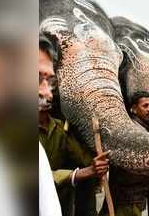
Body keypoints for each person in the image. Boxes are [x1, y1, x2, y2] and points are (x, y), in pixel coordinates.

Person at [39, 33, 110, 216]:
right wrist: (80, 174)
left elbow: (82, 158)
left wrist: (96, 164)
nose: (48, 93)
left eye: (51, 82)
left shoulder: (60, 128)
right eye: (37, 79)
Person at [105, 91, 149, 216]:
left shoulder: (145, 127)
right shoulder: (134, 130)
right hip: (127, 200)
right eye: (145, 106)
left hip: (134, 198)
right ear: (133, 109)